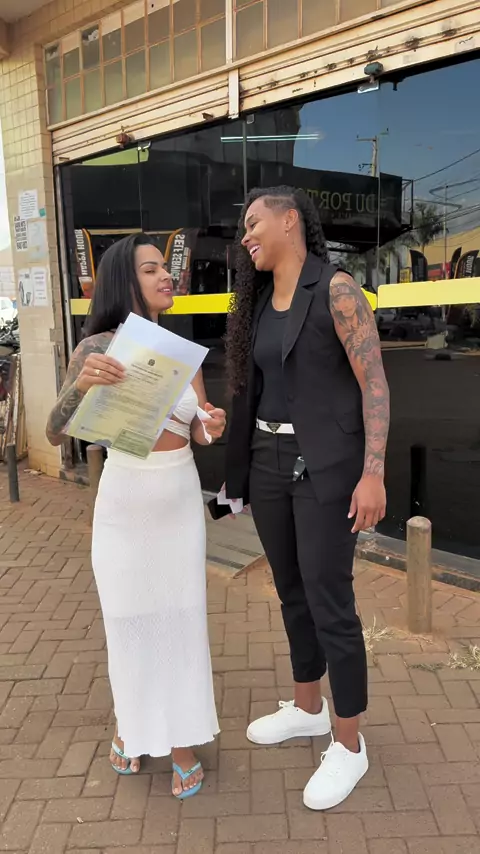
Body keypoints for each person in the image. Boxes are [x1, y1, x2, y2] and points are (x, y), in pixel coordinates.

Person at [224, 186, 389, 811]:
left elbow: (375, 383)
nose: (246, 235)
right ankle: (307, 707)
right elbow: (257, 388)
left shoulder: (336, 289)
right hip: (269, 463)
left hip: (326, 467)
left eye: (253, 223)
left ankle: (349, 744)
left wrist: (372, 473)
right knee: (291, 590)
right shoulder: (261, 302)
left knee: (330, 601)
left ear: (290, 220)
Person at [46, 234, 226, 799]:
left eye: (165, 267)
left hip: (177, 496)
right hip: (124, 498)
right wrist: (82, 384)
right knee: (128, 620)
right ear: (125, 279)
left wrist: (211, 425)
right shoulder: (97, 347)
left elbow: (197, 428)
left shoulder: (182, 351)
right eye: (151, 269)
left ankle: (181, 742)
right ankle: (133, 724)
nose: (166, 276)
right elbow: (55, 431)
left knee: (179, 618)